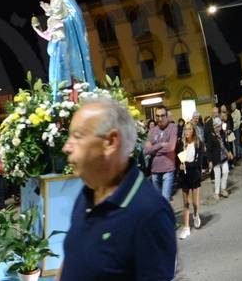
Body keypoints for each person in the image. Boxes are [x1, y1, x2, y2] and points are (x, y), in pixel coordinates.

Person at [58, 97, 176, 280]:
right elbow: (71, 257)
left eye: (78, 136)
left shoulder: (149, 212)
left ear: (111, 142)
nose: (66, 147)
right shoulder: (87, 194)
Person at [29, 0, 95, 100]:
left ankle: (75, 95)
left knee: (70, 69)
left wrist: (62, 23)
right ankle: (62, 96)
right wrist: (40, 29)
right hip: (57, 43)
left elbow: (76, 18)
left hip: (69, 41)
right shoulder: (53, 2)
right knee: (58, 71)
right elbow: (51, 30)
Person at [177, 122, 205, 240]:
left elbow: (198, 163)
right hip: (184, 176)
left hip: (194, 175)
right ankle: (186, 227)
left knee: (194, 202)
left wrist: (186, 165)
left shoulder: (198, 144)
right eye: (185, 129)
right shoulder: (181, 143)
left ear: (193, 131)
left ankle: (196, 214)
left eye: (189, 129)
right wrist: (180, 166)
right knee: (186, 203)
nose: (187, 132)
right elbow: (178, 158)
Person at [144, 106, 177, 201]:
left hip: (168, 169)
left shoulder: (172, 128)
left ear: (166, 116)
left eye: (162, 115)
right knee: (158, 201)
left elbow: (171, 147)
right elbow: (146, 150)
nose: (160, 118)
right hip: (155, 170)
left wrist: (154, 150)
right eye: (157, 116)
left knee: (165, 200)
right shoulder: (151, 131)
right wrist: (161, 144)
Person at [207, 117, 230, 200]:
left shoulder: (222, 134)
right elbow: (208, 150)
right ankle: (217, 192)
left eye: (219, 126)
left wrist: (229, 152)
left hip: (223, 157)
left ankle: (223, 188)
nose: (218, 128)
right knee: (217, 175)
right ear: (213, 126)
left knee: (226, 171)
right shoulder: (211, 136)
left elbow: (226, 144)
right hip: (215, 159)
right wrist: (209, 161)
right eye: (216, 126)